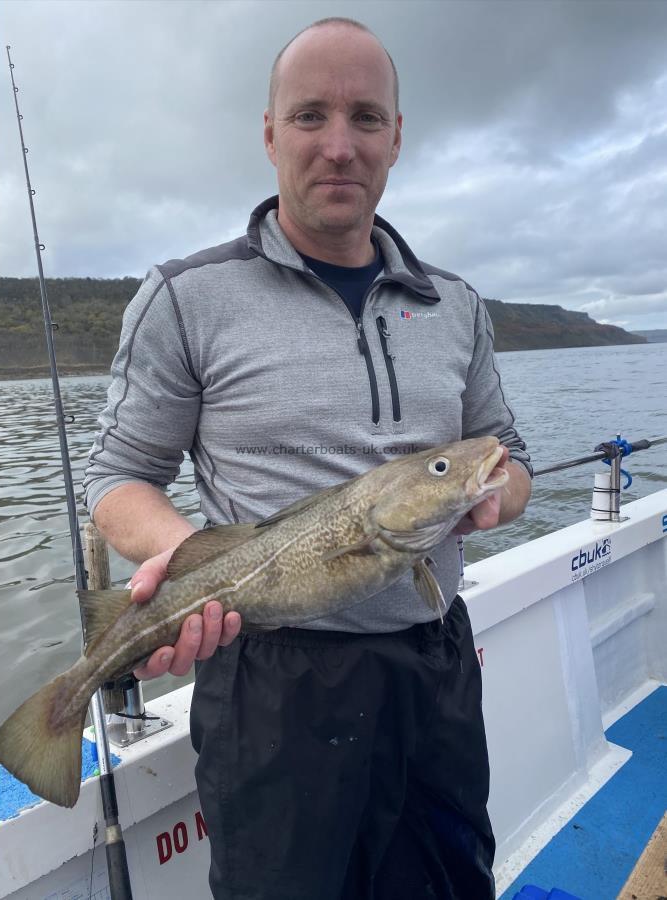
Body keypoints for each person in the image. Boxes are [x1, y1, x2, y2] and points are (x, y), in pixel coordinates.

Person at [84, 17, 532, 900]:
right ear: (266, 132)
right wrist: (182, 550)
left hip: (435, 659)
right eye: (309, 117)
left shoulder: (456, 303)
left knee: (447, 882)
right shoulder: (185, 298)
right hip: (269, 677)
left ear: (396, 137)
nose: (338, 146)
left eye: (366, 118)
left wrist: (496, 495)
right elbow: (117, 475)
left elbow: (505, 453)